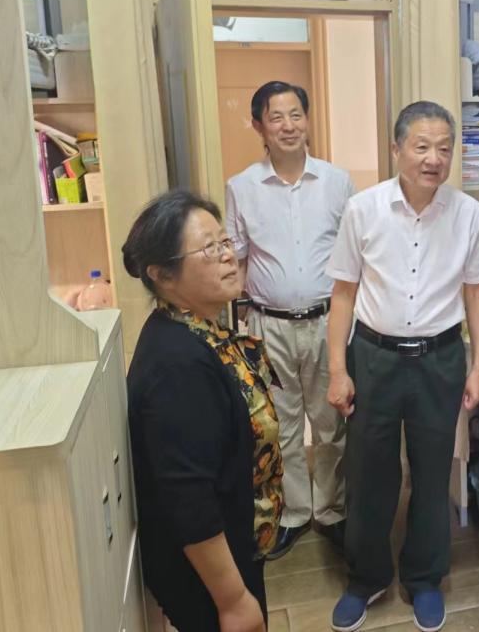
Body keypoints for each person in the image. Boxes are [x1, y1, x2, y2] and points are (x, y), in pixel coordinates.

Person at [325, 101, 479, 632]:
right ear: (397, 149)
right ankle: (366, 577)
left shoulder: (468, 213)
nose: (434, 159)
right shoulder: (363, 209)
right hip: (373, 356)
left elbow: (477, 295)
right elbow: (343, 294)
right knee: (369, 472)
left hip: (439, 358)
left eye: (444, 148)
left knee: (432, 470)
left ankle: (424, 578)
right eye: (422, 147)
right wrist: (338, 369)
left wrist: (478, 367)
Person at [123, 190, 284, 632]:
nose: (228, 256)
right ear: (162, 275)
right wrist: (233, 601)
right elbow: (189, 499)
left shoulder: (198, 329)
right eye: (209, 249)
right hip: (211, 579)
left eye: (225, 242)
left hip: (234, 548)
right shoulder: (177, 366)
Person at [226, 81, 355, 559]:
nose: (288, 125)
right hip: (269, 324)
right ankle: (296, 513)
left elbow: (355, 257)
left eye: (296, 114)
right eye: (276, 117)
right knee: (281, 426)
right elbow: (238, 259)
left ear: (308, 119)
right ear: (259, 126)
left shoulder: (337, 182)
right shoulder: (242, 187)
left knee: (331, 422)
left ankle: (332, 511)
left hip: (328, 322)